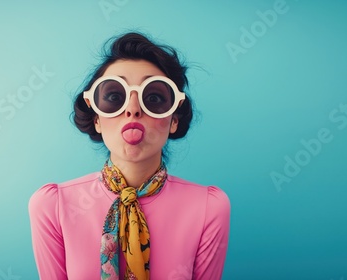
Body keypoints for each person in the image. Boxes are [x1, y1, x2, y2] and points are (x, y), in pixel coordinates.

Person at [28, 32, 230, 280]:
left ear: (174, 120)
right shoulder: (53, 206)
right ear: (96, 119)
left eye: (153, 97)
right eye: (114, 96)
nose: (133, 109)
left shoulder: (209, 208)